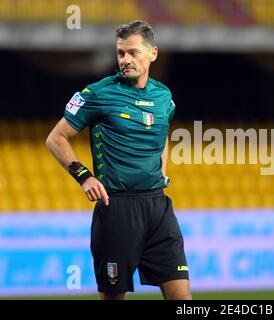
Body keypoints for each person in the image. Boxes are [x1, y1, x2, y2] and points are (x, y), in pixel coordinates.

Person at [46, 20, 191, 300]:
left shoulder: (164, 97)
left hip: (158, 208)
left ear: (153, 53)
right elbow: (56, 138)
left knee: (183, 298)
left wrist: (163, 173)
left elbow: (161, 137)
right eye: (120, 53)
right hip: (117, 208)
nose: (125, 60)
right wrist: (84, 176)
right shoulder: (98, 94)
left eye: (133, 52)